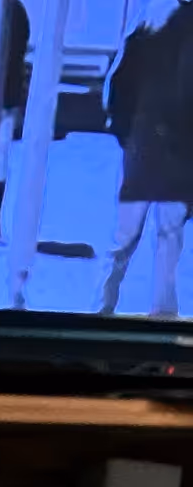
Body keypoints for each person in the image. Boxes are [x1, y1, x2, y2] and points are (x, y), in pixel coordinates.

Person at [101, 0, 193, 316]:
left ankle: (102, 304)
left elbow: (119, 90)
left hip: (143, 148)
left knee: (123, 238)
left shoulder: (143, 36)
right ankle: (162, 311)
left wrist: (127, 134)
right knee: (169, 238)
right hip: (180, 155)